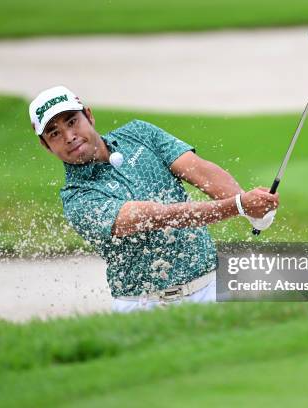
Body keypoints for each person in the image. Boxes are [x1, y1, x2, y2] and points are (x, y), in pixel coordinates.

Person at [28, 86, 279, 313]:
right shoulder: (77, 198)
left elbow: (200, 171)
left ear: (89, 116)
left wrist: (252, 208)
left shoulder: (140, 133)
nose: (69, 135)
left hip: (210, 288)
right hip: (144, 307)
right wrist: (238, 206)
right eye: (54, 133)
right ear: (45, 145)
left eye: (72, 121)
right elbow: (158, 217)